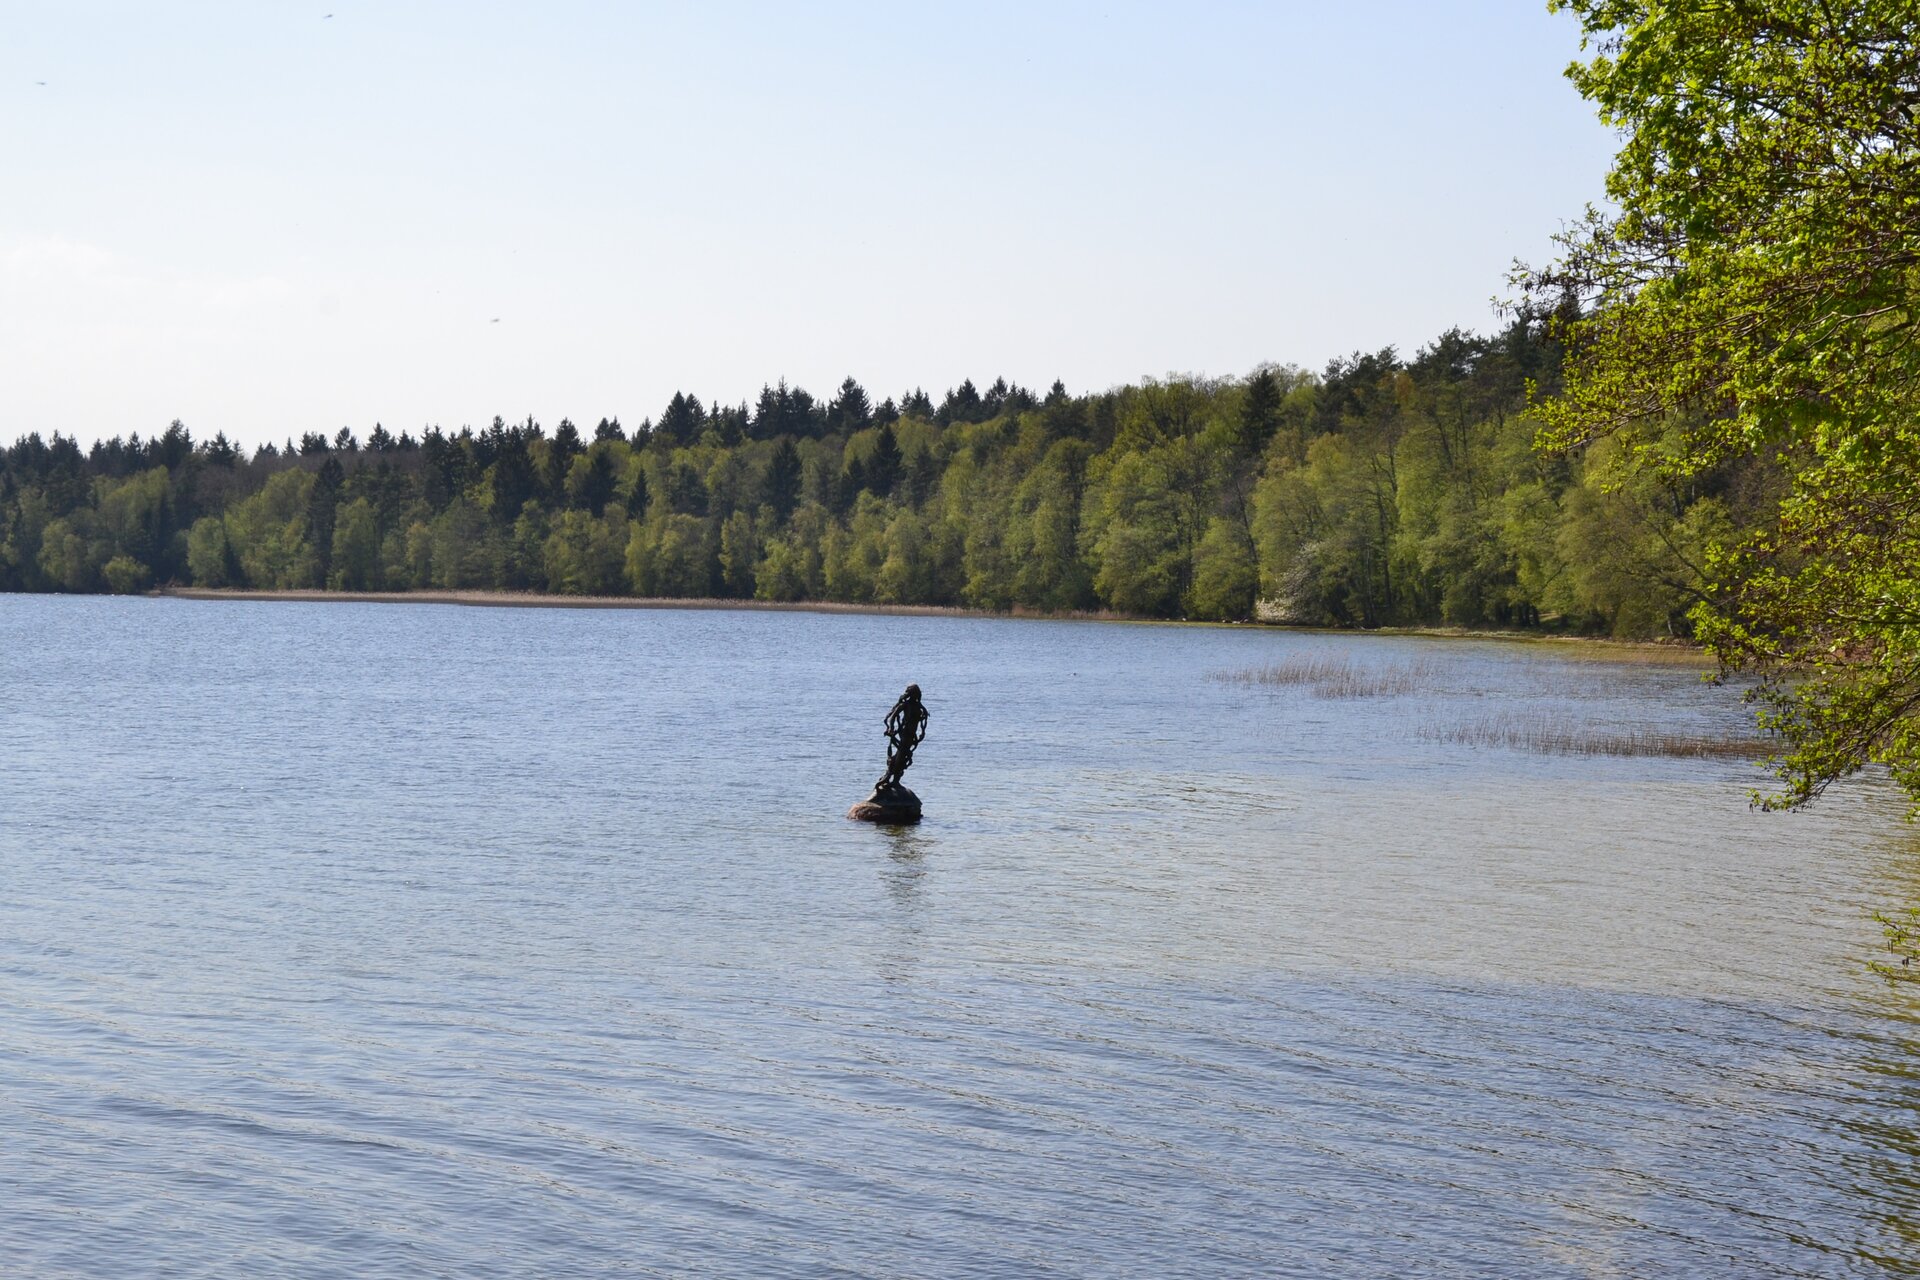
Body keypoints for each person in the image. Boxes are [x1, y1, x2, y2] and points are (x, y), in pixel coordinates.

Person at [878, 684, 929, 791]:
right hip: (905, 733)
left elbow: (923, 722)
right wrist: (890, 728)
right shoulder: (906, 705)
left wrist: (922, 733)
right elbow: (893, 716)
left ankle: (893, 778)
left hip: (912, 736)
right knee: (901, 755)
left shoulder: (919, 706)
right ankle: (891, 778)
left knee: (903, 756)